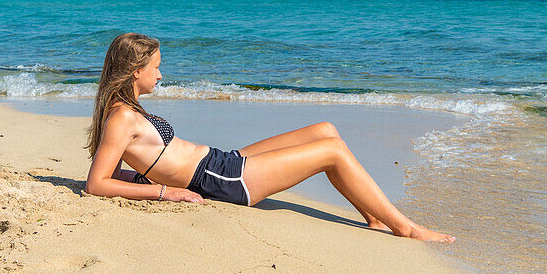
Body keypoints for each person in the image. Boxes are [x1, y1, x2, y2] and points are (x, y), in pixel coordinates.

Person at [85, 33, 455, 243]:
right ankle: (406, 228)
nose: (161, 75)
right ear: (136, 72)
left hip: (220, 163)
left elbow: (121, 172)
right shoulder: (120, 118)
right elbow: (98, 183)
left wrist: (150, 176)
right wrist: (167, 191)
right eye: (156, 67)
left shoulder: (125, 110)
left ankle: (373, 216)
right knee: (334, 152)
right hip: (221, 180)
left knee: (325, 130)